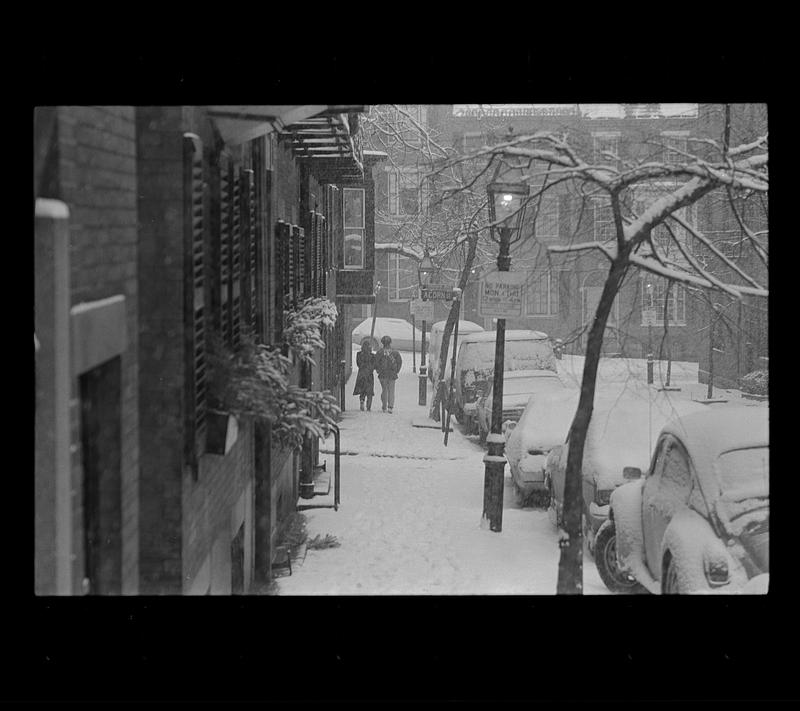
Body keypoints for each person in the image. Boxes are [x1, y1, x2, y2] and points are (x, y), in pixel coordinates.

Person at [375, 335, 403, 413]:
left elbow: (376, 362)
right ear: (390, 343)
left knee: (384, 390)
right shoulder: (395, 352)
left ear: (382, 343)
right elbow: (399, 362)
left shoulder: (380, 352)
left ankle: (384, 406)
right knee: (391, 390)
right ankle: (390, 406)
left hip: (383, 374)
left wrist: (378, 370)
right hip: (392, 374)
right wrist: (396, 371)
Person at [353, 338, 376, 411]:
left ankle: (362, 400)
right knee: (369, 390)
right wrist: (370, 369)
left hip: (361, 374)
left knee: (362, 389)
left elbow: (358, 364)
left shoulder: (359, 354)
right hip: (369, 374)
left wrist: (363, 367)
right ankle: (368, 406)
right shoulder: (372, 355)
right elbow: (374, 365)